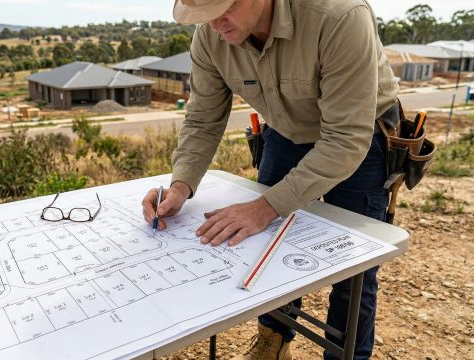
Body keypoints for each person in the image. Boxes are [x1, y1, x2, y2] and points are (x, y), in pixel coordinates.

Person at [141, 0, 400, 359]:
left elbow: (344, 139)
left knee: (353, 267)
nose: (214, 24)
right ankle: (273, 343)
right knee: (268, 251)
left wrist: (264, 207)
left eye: (223, 8)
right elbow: (202, 119)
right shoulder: (210, 35)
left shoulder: (340, 16)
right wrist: (181, 185)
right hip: (286, 131)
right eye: (204, 14)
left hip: (360, 135)